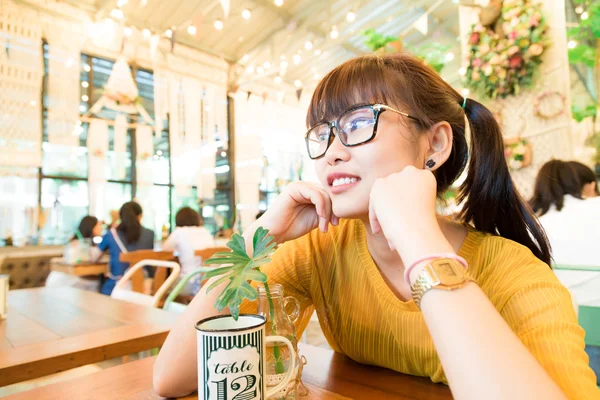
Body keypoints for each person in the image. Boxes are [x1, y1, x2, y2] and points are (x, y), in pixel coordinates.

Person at [153, 54, 598, 399]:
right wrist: (259, 239)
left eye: (359, 123)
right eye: (321, 133)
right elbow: (172, 377)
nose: (331, 151)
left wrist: (417, 237)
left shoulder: (514, 274)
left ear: (436, 143)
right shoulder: (320, 247)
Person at [97, 201, 154, 295]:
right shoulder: (150, 234)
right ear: (140, 216)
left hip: (116, 288)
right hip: (142, 290)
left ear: (120, 217)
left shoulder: (111, 234)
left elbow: (95, 256)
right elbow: (149, 264)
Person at [162, 207, 214, 296]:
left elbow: (165, 249)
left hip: (190, 282)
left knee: (165, 286)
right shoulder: (205, 231)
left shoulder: (179, 232)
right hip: (210, 282)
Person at [46, 216, 103, 290]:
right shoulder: (76, 244)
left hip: (76, 280)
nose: (101, 228)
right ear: (91, 227)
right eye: (98, 225)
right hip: (68, 281)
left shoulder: (91, 244)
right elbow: (78, 267)